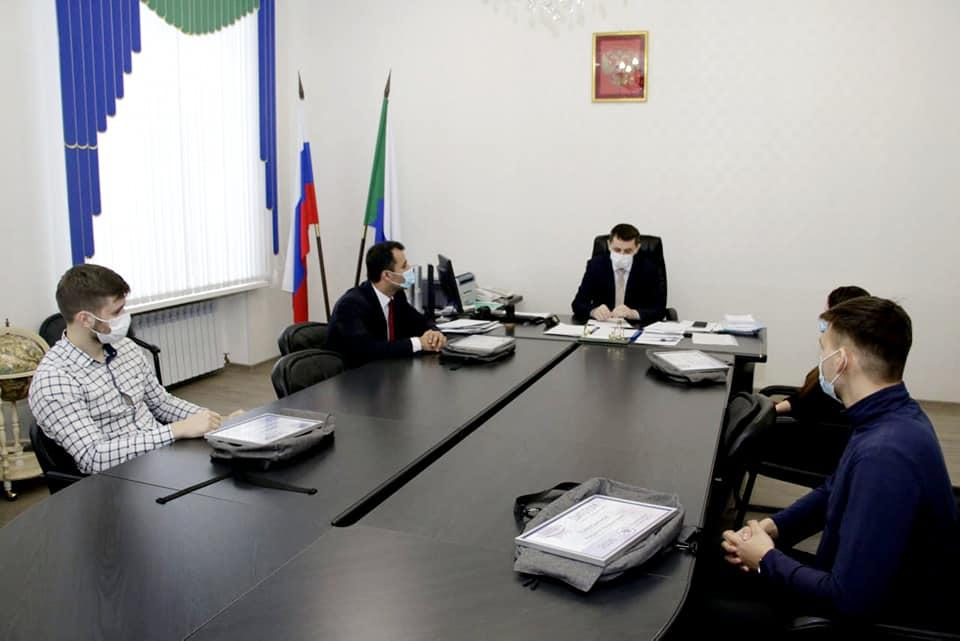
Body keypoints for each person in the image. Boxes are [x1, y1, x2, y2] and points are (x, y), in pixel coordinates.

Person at [716, 297, 958, 630]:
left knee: (702, 602)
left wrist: (766, 559)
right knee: (714, 562)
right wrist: (775, 527)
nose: (821, 360)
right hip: (847, 583)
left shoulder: (884, 454)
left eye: (824, 349)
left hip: (863, 616)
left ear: (841, 360)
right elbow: (834, 490)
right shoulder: (891, 415)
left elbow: (850, 600)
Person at [29, 265, 224, 474]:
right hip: (119, 479)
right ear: (85, 319)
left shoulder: (126, 347)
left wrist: (216, 422)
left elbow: (161, 403)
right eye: (116, 312)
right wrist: (174, 431)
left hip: (162, 458)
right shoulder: (54, 380)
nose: (125, 317)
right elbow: (94, 457)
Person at [326, 241, 446, 367]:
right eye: (404, 266)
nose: (410, 269)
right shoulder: (350, 305)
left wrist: (434, 334)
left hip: (387, 370)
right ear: (387, 275)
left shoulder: (396, 295)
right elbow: (366, 350)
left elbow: (420, 321)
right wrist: (418, 343)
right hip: (354, 374)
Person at [772, 285, 870, 423]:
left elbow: (812, 407)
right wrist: (773, 408)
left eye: (827, 314)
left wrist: (771, 411)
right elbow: (805, 398)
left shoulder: (841, 369)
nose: (823, 319)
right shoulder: (838, 359)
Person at [571, 223, 666, 325]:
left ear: (637, 248)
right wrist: (593, 311)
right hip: (603, 326)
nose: (621, 255)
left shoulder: (649, 269)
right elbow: (577, 304)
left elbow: (659, 309)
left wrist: (633, 313)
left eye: (628, 251)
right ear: (609, 245)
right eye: (617, 250)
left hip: (635, 327)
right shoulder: (596, 266)